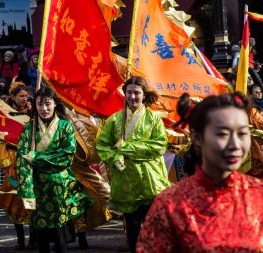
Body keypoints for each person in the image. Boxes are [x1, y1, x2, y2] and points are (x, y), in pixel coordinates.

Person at [136, 92, 263, 252]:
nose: (235, 144)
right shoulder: (171, 204)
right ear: (197, 138)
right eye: (222, 134)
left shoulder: (258, 195)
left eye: (242, 133)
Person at [96, 76, 170, 253]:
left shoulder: (153, 118)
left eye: (137, 93)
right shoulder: (115, 120)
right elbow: (102, 145)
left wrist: (126, 148)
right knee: (133, 229)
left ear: (144, 95)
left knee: (153, 229)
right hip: (126, 181)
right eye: (129, 92)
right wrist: (114, 158)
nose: (133, 97)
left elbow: (159, 146)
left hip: (150, 180)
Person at [16, 86, 92, 253]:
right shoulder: (28, 129)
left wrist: (36, 157)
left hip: (60, 188)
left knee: (60, 235)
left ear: (55, 104)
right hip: (37, 187)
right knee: (41, 235)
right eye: (40, 104)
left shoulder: (65, 127)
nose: (44, 109)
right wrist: (27, 190)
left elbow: (66, 157)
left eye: (48, 104)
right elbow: (22, 162)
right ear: (34, 105)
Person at [0, 80, 35, 250]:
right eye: (21, 96)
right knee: (13, 197)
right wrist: (4, 164)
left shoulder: (33, 114)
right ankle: (20, 238)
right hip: (12, 162)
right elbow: (0, 139)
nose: (24, 99)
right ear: (12, 96)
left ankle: (34, 238)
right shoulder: (6, 115)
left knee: (32, 199)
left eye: (26, 96)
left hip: (30, 161)